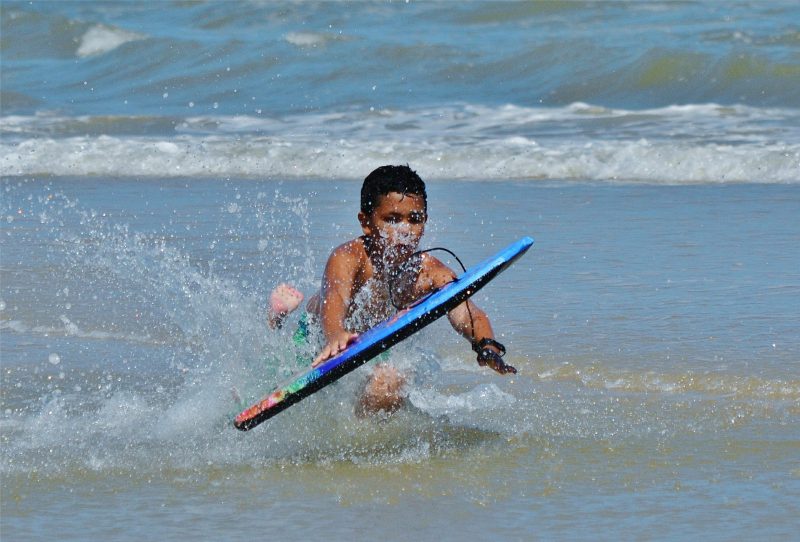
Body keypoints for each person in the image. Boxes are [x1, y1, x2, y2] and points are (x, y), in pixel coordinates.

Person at [268, 165, 515, 416]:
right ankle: (276, 318)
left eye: (415, 219)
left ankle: (359, 439)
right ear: (366, 222)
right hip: (317, 338)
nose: (405, 230)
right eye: (392, 219)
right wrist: (335, 335)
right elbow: (335, 297)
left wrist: (487, 345)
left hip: (369, 345)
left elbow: (466, 313)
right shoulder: (350, 257)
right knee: (275, 374)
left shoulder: (430, 271)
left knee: (390, 383)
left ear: (425, 221)